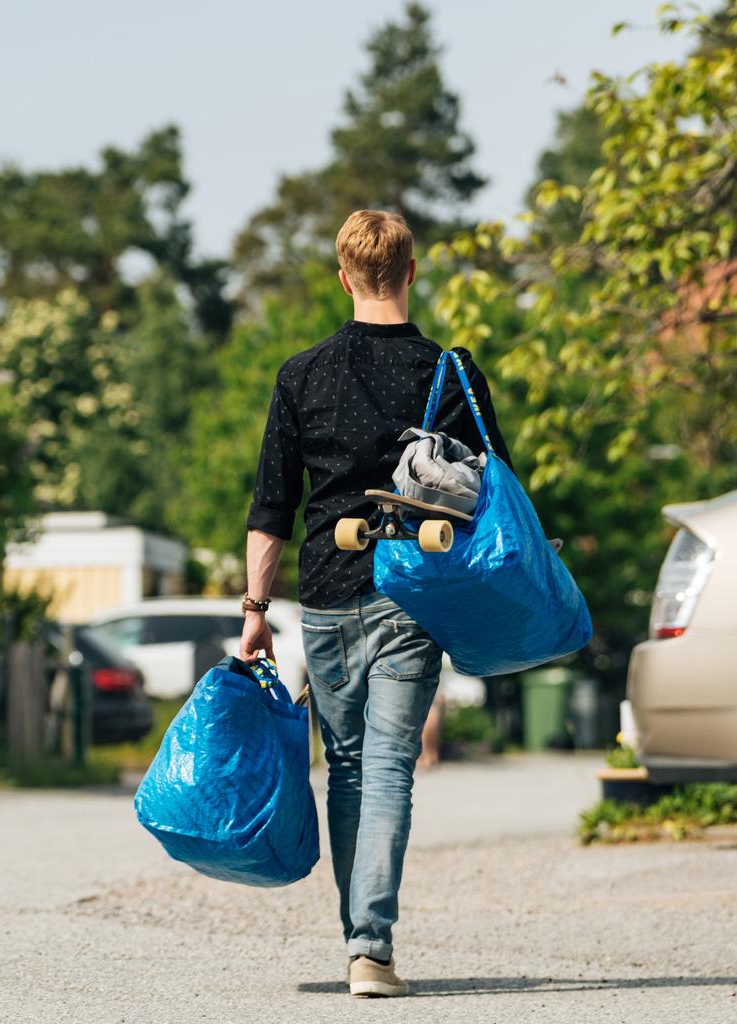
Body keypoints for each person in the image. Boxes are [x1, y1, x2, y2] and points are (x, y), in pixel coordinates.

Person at [238, 210, 513, 998]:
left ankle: (360, 938)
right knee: (390, 766)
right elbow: (493, 493)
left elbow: (270, 511)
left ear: (343, 275)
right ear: (412, 272)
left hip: (325, 597)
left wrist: (256, 610)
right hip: (412, 592)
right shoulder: (449, 374)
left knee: (350, 767)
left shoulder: (302, 375)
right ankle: (371, 949)